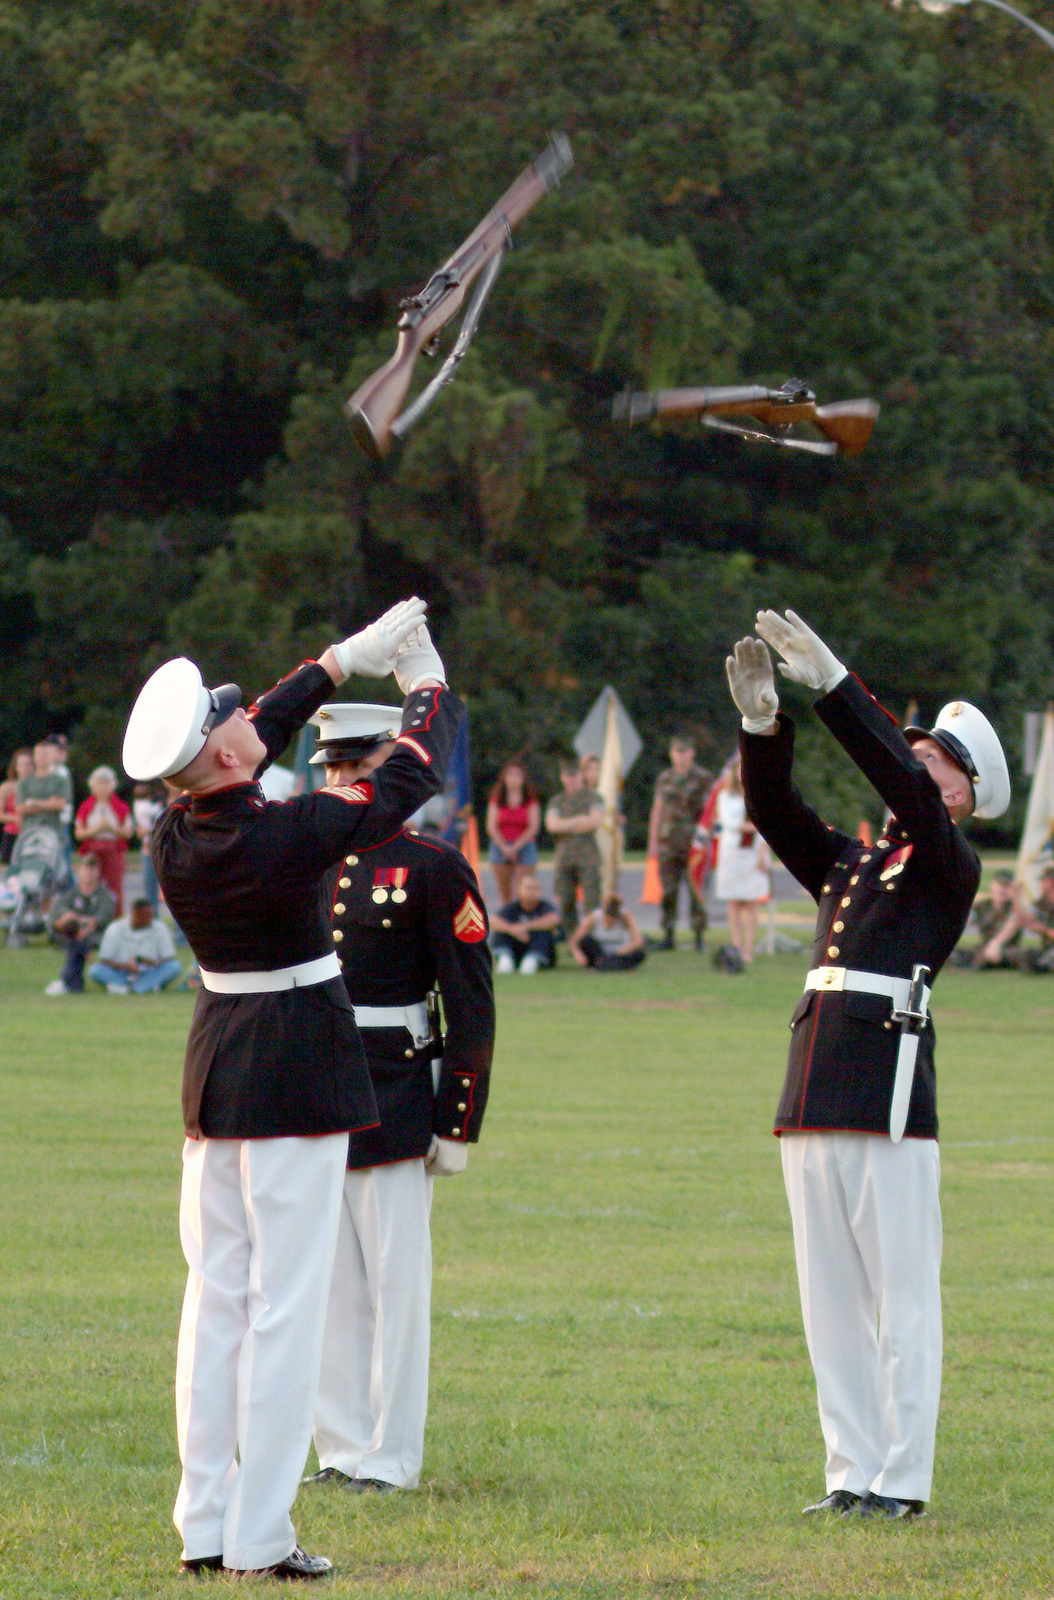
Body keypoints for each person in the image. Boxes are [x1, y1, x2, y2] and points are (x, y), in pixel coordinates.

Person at [121, 598, 460, 1579]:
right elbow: (400, 783)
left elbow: (249, 737)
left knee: (215, 1301)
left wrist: (331, 663)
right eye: (228, 719)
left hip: (218, 1070)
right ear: (225, 761)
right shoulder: (286, 833)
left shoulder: (179, 831)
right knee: (283, 1308)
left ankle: (205, 1521)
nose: (245, 718)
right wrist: (424, 688)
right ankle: (261, 1533)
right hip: (297, 1071)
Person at [727, 609, 1009, 1523]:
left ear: (961, 794)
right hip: (812, 1086)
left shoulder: (948, 862)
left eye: (931, 760)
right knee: (832, 1302)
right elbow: (773, 813)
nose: (912, 766)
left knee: (900, 1301)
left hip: (887, 1094)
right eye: (915, 751)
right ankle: (850, 1471)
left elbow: (904, 786)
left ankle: (903, 1479)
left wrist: (839, 688)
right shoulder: (853, 865)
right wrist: (764, 729)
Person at [298, 703, 495, 1494]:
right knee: (327, 1285)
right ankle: (339, 1448)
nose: (342, 783)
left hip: (396, 1089)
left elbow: (471, 1004)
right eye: (333, 770)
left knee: (394, 1287)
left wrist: (458, 1117)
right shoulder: (307, 860)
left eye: (355, 767)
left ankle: (390, 1456)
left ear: (392, 764)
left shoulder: (432, 865)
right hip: (315, 1091)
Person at [646, 736, 713, 951]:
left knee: (696, 892)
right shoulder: (665, 778)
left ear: (692, 753)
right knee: (668, 892)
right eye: (677, 752)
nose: (681, 756)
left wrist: (709, 841)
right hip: (669, 842)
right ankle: (668, 934)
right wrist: (653, 841)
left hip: (694, 844)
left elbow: (710, 811)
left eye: (685, 752)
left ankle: (699, 936)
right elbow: (658, 809)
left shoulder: (703, 778)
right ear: (671, 754)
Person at [713, 757, 771, 965]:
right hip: (733, 852)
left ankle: (748, 949)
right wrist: (756, 826)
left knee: (752, 901)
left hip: (754, 852)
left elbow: (769, 825)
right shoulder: (726, 796)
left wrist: (764, 854)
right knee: (735, 901)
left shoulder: (760, 794)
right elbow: (730, 823)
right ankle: (736, 946)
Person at [545, 758, 604, 936]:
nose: (571, 779)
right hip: (564, 858)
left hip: (588, 857)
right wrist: (578, 820)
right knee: (566, 901)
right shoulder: (557, 801)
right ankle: (572, 937)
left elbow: (594, 822)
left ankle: (591, 937)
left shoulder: (593, 797)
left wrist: (565, 824)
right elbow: (552, 826)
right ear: (562, 778)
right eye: (567, 776)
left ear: (581, 775)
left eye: (575, 775)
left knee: (591, 901)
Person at [44, 853, 117, 994]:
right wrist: (67, 921)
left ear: (98, 872)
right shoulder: (68, 894)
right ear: (79, 870)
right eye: (86, 868)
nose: (89, 873)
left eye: (93, 869)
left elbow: (102, 918)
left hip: (93, 936)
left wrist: (76, 920)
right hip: (70, 935)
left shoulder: (105, 895)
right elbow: (55, 919)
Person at [88, 898, 182, 993]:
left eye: (151, 915)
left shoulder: (160, 927)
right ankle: (142, 987)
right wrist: (124, 966)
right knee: (95, 970)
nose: (150, 919)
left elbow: (168, 958)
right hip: (121, 972)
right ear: (135, 913)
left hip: (149, 972)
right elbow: (105, 959)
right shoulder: (115, 928)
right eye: (146, 916)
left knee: (174, 966)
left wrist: (150, 962)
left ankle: (128, 988)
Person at [75, 765, 135, 913]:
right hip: (92, 849)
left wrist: (110, 828)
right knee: (90, 883)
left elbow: (128, 833)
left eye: (106, 783)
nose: (103, 787)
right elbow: (79, 833)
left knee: (114, 885)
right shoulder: (86, 807)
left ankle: (115, 915)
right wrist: (96, 830)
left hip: (114, 849)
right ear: (93, 786)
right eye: (99, 783)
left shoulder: (120, 807)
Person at [485, 758, 541, 904]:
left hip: (525, 846)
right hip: (500, 846)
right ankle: (505, 924)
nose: (513, 779)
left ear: (523, 779)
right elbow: (491, 826)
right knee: (505, 892)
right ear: (504, 778)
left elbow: (534, 826)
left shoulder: (530, 799)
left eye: (518, 775)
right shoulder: (497, 798)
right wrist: (505, 847)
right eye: (510, 775)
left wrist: (515, 847)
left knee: (524, 891)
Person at [982, 866, 1054, 970]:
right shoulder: (1042, 903)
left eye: (1044, 881)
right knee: (1027, 957)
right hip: (1048, 948)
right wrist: (1016, 897)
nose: (1041, 884)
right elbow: (1025, 921)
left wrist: (1046, 931)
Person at [490, 871, 560, 973]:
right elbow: (493, 921)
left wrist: (525, 927)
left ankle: (532, 960)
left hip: (535, 947)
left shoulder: (544, 906)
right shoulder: (513, 906)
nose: (531, 891)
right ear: (520, 890)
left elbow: (554, 919)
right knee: (501, 931)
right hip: (515, 947)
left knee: (544, 933)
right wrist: (513, 930)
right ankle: (505, 959)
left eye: (535, 888)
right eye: (528, 888)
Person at [15, 740, 72, 848]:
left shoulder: (61, 780)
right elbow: (20, 808)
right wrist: (49, 805)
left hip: (53, 835)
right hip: (29, 834)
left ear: (52, 756)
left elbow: (60, 805)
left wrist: (33, 802)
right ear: (34, 757)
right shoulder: (25, 782)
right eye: (39, 754)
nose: (42, 757)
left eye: (45, 754)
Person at [569, 893, 645, 971]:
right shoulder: (594, 917)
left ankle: (604, 965)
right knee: (586, 941)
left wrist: (621, 952)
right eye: (606, 919)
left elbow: (638, 941)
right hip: (600, 953)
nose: (607, 924)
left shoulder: (625, 916)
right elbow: (575, 940)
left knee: (639, 954)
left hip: (619, 953)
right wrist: (577, 954)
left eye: (611, 921)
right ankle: (606, 965)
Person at [133, 780, 167, 912]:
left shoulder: (137, 805)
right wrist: (159, 806)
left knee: (150, 888)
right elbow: (156, 813)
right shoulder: (144, 806)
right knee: (151, 886)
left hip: (149, 842)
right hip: (151, 843)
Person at [0, 748, 33, 864]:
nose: (24, 768)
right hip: (11, 834)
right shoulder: (7, 787)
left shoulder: (38, 787)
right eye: (20, 764)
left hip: (32, 833)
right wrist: (15, 818)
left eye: (28, 764)